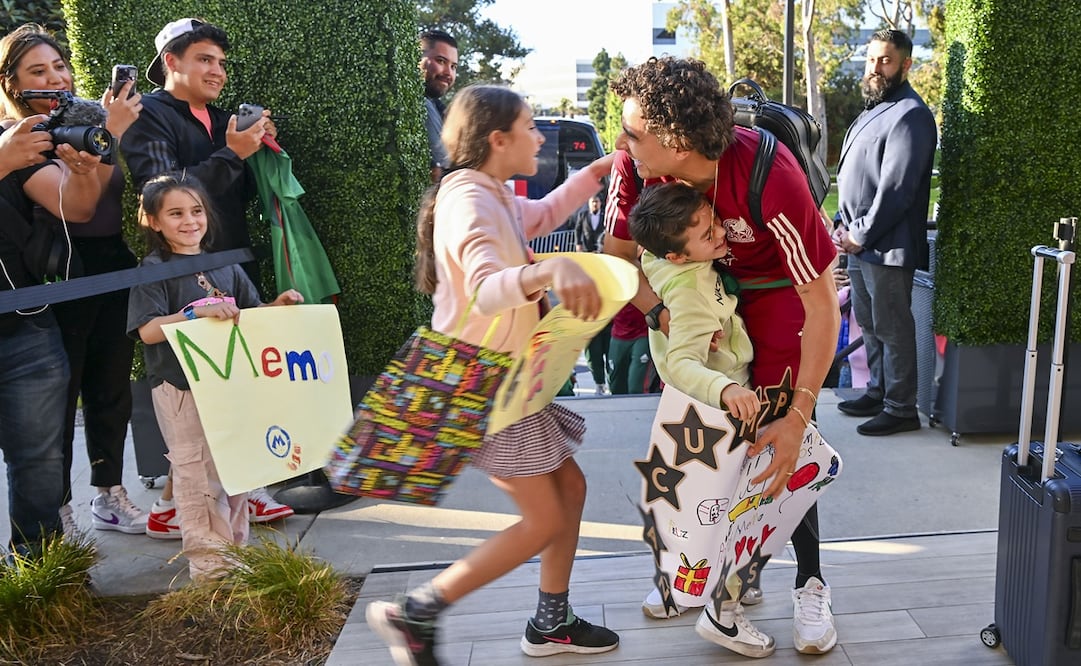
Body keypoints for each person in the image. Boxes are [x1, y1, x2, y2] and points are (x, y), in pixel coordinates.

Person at [365, 84, 619, 665]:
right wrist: (548, 270)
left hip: (506, 381)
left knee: (569, 489)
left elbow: (546, 212)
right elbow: (484, 288)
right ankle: (416, 611)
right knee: (544, 518)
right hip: (481, 384)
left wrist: (601, 169)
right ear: (498, 139)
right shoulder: (469, 202)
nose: (539, 137)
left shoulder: (493, 193)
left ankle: (551, 623)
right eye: (530, 128)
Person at [605, 56, 840, 655]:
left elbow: (822, 305)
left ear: (677, 140)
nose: (621, 142)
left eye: (633, 131)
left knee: (782, 445)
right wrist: (662, 312)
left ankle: (810, 583)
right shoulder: (636, 169)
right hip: (707, 301)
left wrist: (799, 411)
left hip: (781, 298)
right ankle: (700, 572)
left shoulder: (769, 173)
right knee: (702, 444)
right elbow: (616, 261)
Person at [121, 18, 292, 525]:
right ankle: (186, 502)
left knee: (237, 383)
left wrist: (259, 149)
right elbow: (160, 190)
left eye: (220, 61)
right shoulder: (147, 116)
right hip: (179, 277)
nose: (217, 71)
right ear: (171, 62)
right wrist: (232, 153)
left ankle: (216, 490)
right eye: (204, 59)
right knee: (196, 401)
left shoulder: (222, 118)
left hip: (229, 265)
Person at [0, 23, 148, 538]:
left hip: (112, 262)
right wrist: (112, 137)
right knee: (55, 402)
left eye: (59, 65)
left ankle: (110, 493)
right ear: (13, 85)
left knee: (111, 387)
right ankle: (57, 506)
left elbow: (104, 197)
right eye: (38, 71)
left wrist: (102, 137)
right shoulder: (18, 139)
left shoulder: (86, 115)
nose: (56, 77)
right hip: (59, 275)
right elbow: (78, 208)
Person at [125, 173, 303, 579]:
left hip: (231, 386)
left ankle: (236, 560)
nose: (189, 221)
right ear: (154, 221)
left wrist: (278, 306)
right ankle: (212, 573)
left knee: (235, 470)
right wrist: (193, 313)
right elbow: (147, 330)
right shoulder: (151, 270)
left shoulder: (222, 263)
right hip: (181, 389)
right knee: (196, 477)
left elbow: (249, 312)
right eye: (175, 213)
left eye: (196, 211)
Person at [629, 180, 771, 657]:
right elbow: (682, 364)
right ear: (678, 256)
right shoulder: (689, 291)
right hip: (715, 412)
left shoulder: (671, 259)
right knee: (716, 505)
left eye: (714, 220)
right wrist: (727, 387)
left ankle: (684, 587)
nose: (720, 232)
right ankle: (706, 593)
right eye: (707, 232)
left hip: (695, 413)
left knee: (694, 504)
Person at [0, 78, 104, 561]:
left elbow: (77, 207)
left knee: (41, 462)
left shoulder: (11, 137)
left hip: (27, 327)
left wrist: (83, 171)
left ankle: (39, 578)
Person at [833, 29, 937, 436]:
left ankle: (900, 408)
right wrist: (846, 229)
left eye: (885, 60)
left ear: (906, 64)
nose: (875, 67)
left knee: (893, 327)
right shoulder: (875, 109)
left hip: (886, 245)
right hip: (859, 242)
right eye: (872, 59)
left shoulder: (910, 113)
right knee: (869, 323)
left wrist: (860, 233)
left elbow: (897, 188)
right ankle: (877, 391)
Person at [419, 29, 458, 184]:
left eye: (454, 66)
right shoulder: (423, 105)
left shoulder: (437, 106)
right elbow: (443, 169)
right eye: (441, 61)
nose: (448, 73)